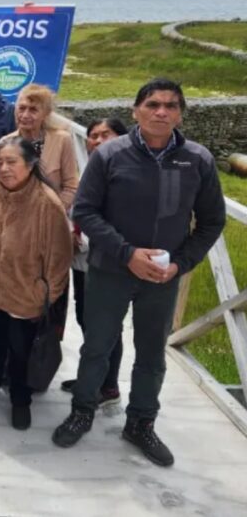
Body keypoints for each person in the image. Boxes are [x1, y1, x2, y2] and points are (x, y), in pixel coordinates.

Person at [52, 79, 226, 467]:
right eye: (152, 104)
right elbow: (85, 211)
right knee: (96, 347)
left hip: (162, 278)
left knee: (151, 354)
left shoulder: (197, 160)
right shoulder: (109, 154)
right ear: (136, 111)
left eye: (170, 105)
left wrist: (181, 263)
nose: (161, 111)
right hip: (110, 271)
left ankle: (141, 423)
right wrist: (127, 253)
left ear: (180, 114)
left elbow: (212, 221)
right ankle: (82, 411)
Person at [0, 137, 72, 431]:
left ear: (30, 165)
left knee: (21, 351)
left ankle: (21, 401)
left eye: (12, 162)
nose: (4, 168)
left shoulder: (47, 203)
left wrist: (41, 295)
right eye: (0, 162)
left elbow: (59, 261)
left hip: (25, 297)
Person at [59, 117, 129, 398]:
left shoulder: (126, 174)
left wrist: (84, 240)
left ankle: (108, 385)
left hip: (107, 262)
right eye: (93, 136)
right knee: (86, 319)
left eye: (105, 135)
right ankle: (91, 377)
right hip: (82, 262)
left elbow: (117, 221)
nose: (98, 141)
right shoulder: (89, 170)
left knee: (107, 325)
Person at [0, 84, 80, 210]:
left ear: (46, 114)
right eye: (21, 108)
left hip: (52, 214)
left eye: (33, 110)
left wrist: (54, 211)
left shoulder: (62, 140)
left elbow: (71, 187)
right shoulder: (4, 143)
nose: (25, 115)